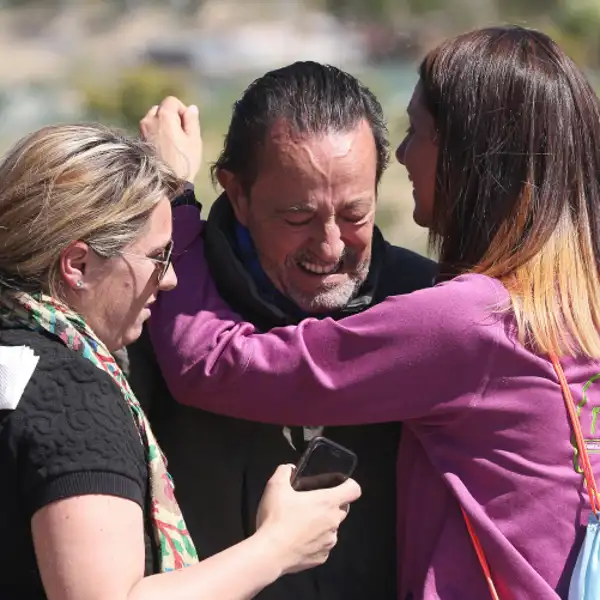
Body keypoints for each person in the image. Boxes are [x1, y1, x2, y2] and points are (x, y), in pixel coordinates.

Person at [147, 26, 600, 599]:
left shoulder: (467, 322)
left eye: (418, 131)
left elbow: (212, 364)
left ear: (473, 160)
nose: (405, 155)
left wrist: (174, 203)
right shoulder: (572, 305)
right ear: (237, 193)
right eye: (296, 216)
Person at [0, 123, 361, 600]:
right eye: (157, 256)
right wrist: (277, 546)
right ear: (78, 265)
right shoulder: (73, 396)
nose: (168, 279)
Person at [129, 64, 436, 600]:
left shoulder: (429, 305)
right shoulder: (146, 311)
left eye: (354, 213)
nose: (330, 247)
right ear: (237, 193)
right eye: (297, 218)